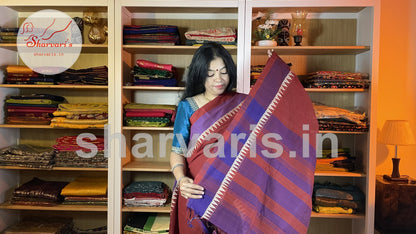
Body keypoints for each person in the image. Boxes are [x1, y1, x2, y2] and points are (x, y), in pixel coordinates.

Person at [169, 42, 319, 234]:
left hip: (233, 194)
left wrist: (277, 71)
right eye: (211, 73)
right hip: (194, 192)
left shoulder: (243, 103)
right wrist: (181, 180)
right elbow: (177, 151)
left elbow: (275, 122)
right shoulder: (187, 107)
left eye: (223, 72)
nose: (218, 79)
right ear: (200, 74)